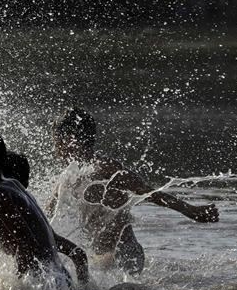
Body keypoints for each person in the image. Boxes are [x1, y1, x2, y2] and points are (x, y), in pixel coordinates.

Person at [46, 108, 219, 275]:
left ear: (70, 140)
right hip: (100, 256)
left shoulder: (105, 168)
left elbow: (149, 193)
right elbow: (47, 215)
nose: (55, 150)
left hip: (124, 252)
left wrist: (191, 211)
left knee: (92, 286)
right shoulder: (66, 178)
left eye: (56, 143)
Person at [0, 131, 89, 287]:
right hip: (60, 281)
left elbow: (25, 246)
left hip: (47, 287)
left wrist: (14, 288)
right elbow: (77, 253)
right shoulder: (14, 186)